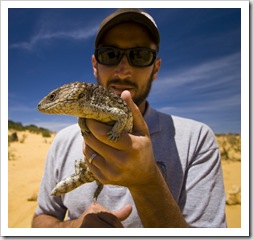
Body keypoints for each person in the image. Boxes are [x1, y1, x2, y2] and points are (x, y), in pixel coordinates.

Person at [32, 8, 227, 228]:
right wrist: (75, 227)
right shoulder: (63, 140)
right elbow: (42, 219)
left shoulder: (198, 139)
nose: (123, 71)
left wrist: (146, 182)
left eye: (140, 56)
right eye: (110, 54)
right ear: (95, 65)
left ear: (156, 68)